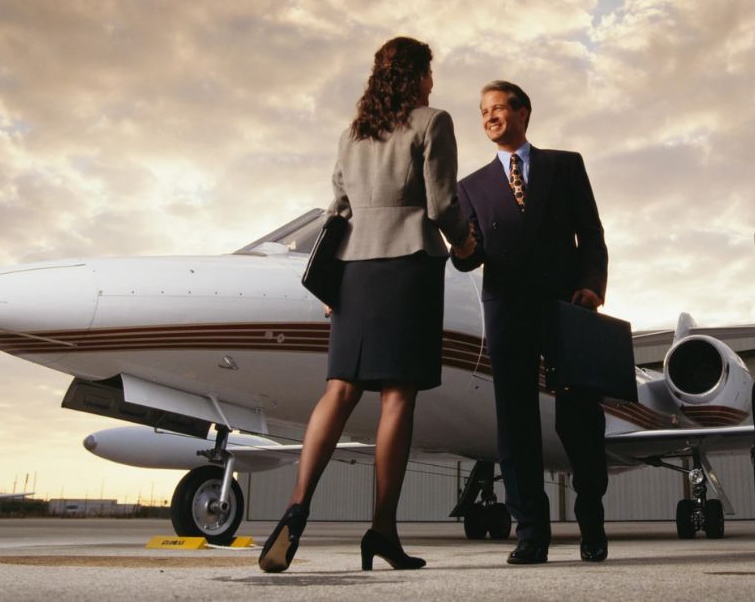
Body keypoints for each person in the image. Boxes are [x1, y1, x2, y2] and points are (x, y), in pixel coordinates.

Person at [258, 37, 476, 573]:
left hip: (354, 273)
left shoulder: (352, 135)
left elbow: (338, 210)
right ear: (416, 76)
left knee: (339, 390)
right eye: (429, 73)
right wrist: (467, 244)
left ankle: (296, 508)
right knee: (398, 398)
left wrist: (334, 287)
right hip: (407, 267)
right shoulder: (433, 122)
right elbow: (441, 203)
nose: (432, 83)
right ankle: (382, 529)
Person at [451, 80, 609, 564]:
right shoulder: (470, 187)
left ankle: (591, 519)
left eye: (498, 108)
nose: (489, 117)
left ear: (523, 113)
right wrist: (461, 245)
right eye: (483, 112)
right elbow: (468, 257)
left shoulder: (565, 165)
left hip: (567, 305)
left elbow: (592, 234)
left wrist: (592, 286)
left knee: (580, 415)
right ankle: (531, 533)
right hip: (508, 310)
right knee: (516, 420)